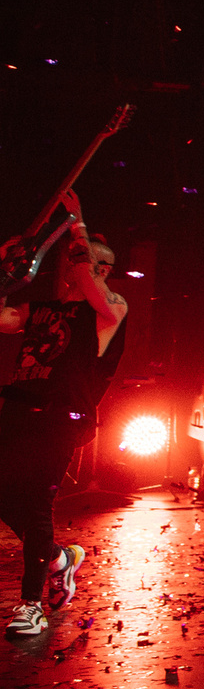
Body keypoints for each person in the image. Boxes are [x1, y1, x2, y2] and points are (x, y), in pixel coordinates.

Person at [0, 196, 128, 637]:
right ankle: (59, 558)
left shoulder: (111, 307)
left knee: (36, 503)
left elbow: (96, 290)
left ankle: (30, 605)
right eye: (89, 256)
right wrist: (5, 267)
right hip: (17, 410)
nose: (94, 264)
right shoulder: (41, 308)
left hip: (61, 418)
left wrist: (78, 230)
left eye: (102, 262)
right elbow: (2, 317)